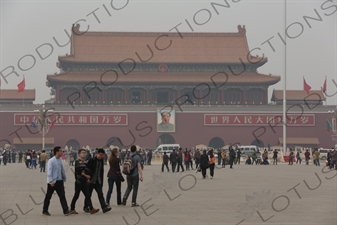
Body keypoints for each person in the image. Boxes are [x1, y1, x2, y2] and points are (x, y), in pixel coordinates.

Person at [42, 146, 73, 216]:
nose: (62, 152)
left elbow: (62, 170)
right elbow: (49, 171)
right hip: (53, 182)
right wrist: (51, 181)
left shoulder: (60, 160)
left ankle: (66, 210)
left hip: (60, 181)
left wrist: (64, 178)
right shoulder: (51, 161)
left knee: (62, 196)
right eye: (60, 151)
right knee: (48, 196)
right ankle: (45, 210)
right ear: (57, 152)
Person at [70, 149, 99, 214]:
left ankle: (91, 208)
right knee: (76, 196)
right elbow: (80, 172)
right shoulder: (77, 162)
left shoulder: (86, 162)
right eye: (82, 153)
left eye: (85, 153)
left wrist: (88, 179)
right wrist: (86, 176)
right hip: (79, 181)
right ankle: (72, 208)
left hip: (84, 182)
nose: (84, 154)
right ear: (79, 154)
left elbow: (86, 170)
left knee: (88, 195)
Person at [84, 148, 111, 213]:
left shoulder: (101, 161)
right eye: (100, 155)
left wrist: (101, 181)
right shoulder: (91, 160)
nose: (101, 156)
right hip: (91, 180)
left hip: (98, 180)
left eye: (103, 155)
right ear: (97, 154)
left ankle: (104, 207)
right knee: (89, 194)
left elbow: (101, 171)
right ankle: (86, 207)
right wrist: (87, 179)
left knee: (100, 194)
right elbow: (87, 170)